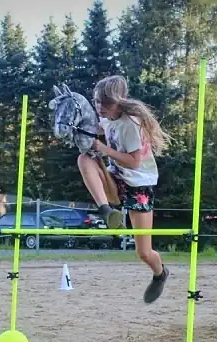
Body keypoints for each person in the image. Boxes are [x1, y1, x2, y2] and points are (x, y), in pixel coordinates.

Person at [77, 74, 172, 304]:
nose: (100, 107)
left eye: (105, 103)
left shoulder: (131, 124)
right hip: (117, 178)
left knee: (144, 252)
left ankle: (160, 273)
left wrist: (104, 149)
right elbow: (94, 130)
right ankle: (106, 211)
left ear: (119, 102)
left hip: (139, 185)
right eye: (96, 101)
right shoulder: (107, 118)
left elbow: (134, 162)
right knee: (84, 159)